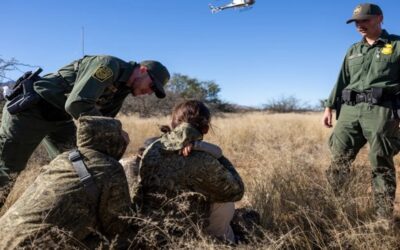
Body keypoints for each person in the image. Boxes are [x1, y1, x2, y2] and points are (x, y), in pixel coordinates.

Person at [0, 55, 170, 208]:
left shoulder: (124, 88)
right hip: (30, 111)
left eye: (154, 91)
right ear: (142, 70)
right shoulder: (108, 66)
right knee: (8, 169)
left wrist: (116, 133)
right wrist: (116, 129)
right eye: (151, 85)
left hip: (60, 119)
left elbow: (104, 119)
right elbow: (76, 104)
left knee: (78, 166)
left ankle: (52, 212)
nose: (149, 92)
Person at [0, 116, 134, 249]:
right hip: (34, 245)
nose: (126, 137)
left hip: (4, 237)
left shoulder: (63, 159)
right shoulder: (108, 167)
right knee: (123, 240)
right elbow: (118, 225)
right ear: (108, 138)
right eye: (120, 132)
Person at [322, 3, 400, 218]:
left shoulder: (397, 45)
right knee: (339, 158)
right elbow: (341, 80)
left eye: (365, 20)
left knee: (380, 161)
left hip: (381, 110)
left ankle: (383, 218)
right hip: (349, 110)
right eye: (356, 22)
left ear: (379, 18)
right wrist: (329, 106)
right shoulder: (353, 50)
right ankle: (334, 211)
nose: (360, 25)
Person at [134, 100, 244, 244]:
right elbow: (237, 191)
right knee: (224, 200)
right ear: (205, 129)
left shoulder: (151, 149)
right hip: (187, 235)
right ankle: (226, 241)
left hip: (148, 232)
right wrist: (218, 155)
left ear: (173, 123)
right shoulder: (202, 157)